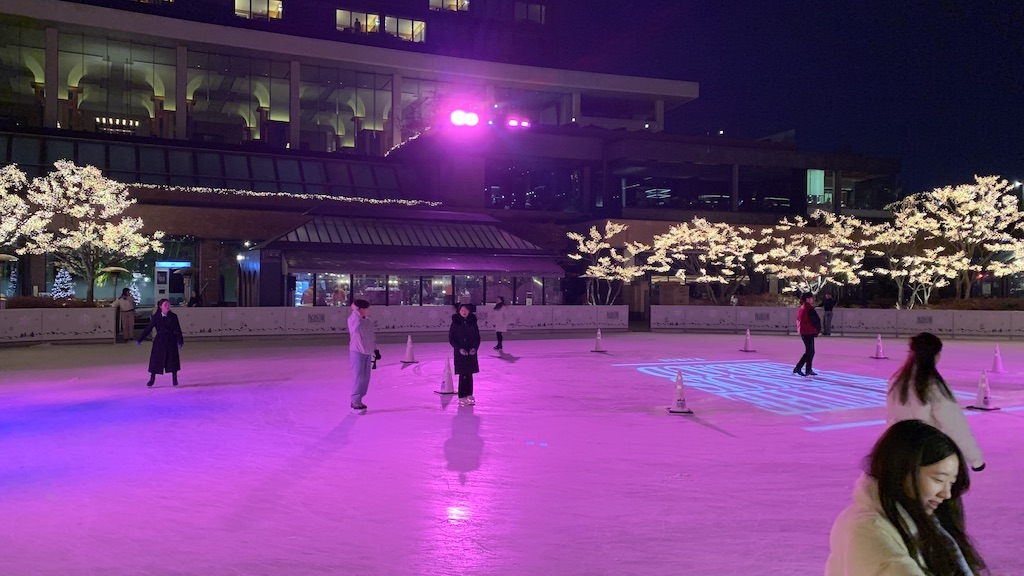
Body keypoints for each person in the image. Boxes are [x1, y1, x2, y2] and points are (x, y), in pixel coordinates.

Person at [825, 419, 987, 576]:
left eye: (951, 483)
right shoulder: (868, 529)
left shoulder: (925, 521)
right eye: (938, 479)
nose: (946, 493)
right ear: (902, 470)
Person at [887, 332, 985, 471]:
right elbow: (954, 424)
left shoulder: (896, 382)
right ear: (936, 355)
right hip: (925, 455)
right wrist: (975, 458)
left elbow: (891, 418)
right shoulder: (934, 386)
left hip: (898, 452)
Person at [136, 298, 184, 387]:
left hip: (171, 340)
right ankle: (152, 379)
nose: (168, 306)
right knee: (156, 361)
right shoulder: (156, 317)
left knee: (172, 360)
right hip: (160, 341)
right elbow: (149, 328)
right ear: (160, 306)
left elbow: (177, 329)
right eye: (165, 305)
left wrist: (180, 340)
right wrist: (140, 338)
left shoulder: (173, 316)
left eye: (169, 304)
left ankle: (174, 378)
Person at [348, 299, 378, 412]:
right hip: (357, 351)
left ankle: (359, 399)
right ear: (360, 309)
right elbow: (355, 321)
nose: (367, 311)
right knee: (358, 376)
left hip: (367, 352)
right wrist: (355, 309)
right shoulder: (353, 320)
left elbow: (371, 336)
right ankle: (355, 400)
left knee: (365, 378)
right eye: (365, 309)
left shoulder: (368, 321)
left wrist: (375, 349)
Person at [449, 303, 481, 406]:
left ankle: (469, 394)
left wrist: (475, 348)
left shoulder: (472, 322)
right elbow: (452, 339)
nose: (464, 312)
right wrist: (459, 349)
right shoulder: (455, 323)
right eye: (462, 310)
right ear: (459, 311)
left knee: (469, 374)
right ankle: (462, 396)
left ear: (469, 311)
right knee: (463, 374)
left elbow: (477, 337)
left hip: (471, 352)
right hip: (460, 353)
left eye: (466, 310)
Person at [793, 291, 821, 376]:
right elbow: (815, 321)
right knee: (809, 352)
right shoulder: (809, 309)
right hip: (808, 331)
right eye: (812, 298)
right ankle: (799, 367)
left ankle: (808, 369)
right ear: (808, 299)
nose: (813, 299)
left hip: (805, 331)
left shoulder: (803, 308)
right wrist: (818, 329)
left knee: (810, 351)